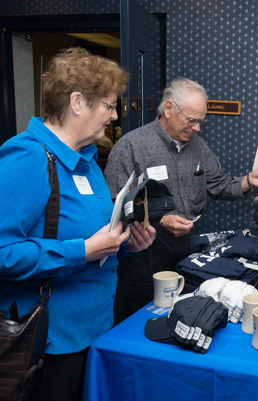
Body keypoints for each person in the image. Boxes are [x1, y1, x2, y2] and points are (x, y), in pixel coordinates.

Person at [0, 47, 156, 401]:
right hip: (48, 344)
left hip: (95, 331)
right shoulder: (27, 157)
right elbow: (3, 252)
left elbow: (95, 239)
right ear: (77, 102)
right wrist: (82, 251)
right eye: (109, 105)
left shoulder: (86, 161)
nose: (115, 116)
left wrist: (125, 244)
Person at [104, 77, 258, 324]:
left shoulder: (198, 147)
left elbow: (219, 185)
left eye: (201, 121)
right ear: (168, 109)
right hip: (143, 250)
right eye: (192, 120)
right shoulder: (131, 146)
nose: (197, 128)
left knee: (180, 315)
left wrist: (250, 180)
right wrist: (161, 220)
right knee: (138, 319)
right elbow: (116, 204)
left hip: (185, 250)